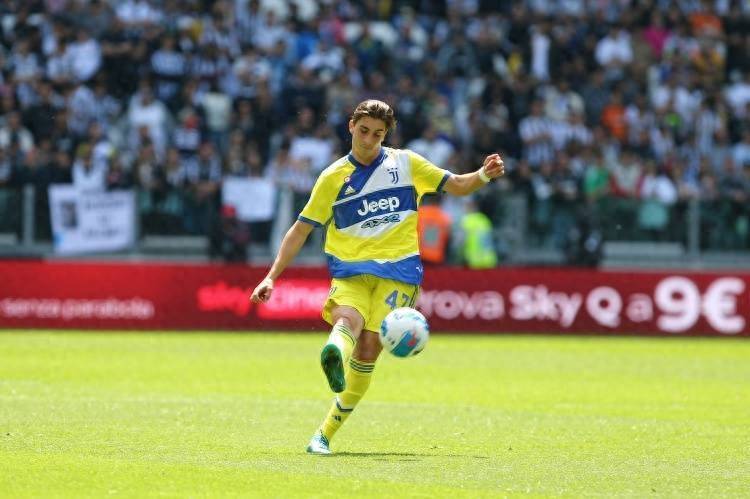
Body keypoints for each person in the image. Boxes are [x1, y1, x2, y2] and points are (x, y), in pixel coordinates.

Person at [249, 99, 504, 455]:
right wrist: (271, 276)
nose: (369, 140)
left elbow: (458, 185)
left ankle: (324, 432)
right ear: (351, 127)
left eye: (378, 134)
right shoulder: (333, 177)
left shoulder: (407, 163)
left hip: (399, 273)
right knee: (347, 319)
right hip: (352, 269)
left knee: (368, 349)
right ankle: (333, 358)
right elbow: (300, 229)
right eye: (364, 131)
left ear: (386, 135)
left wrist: (483, 175)